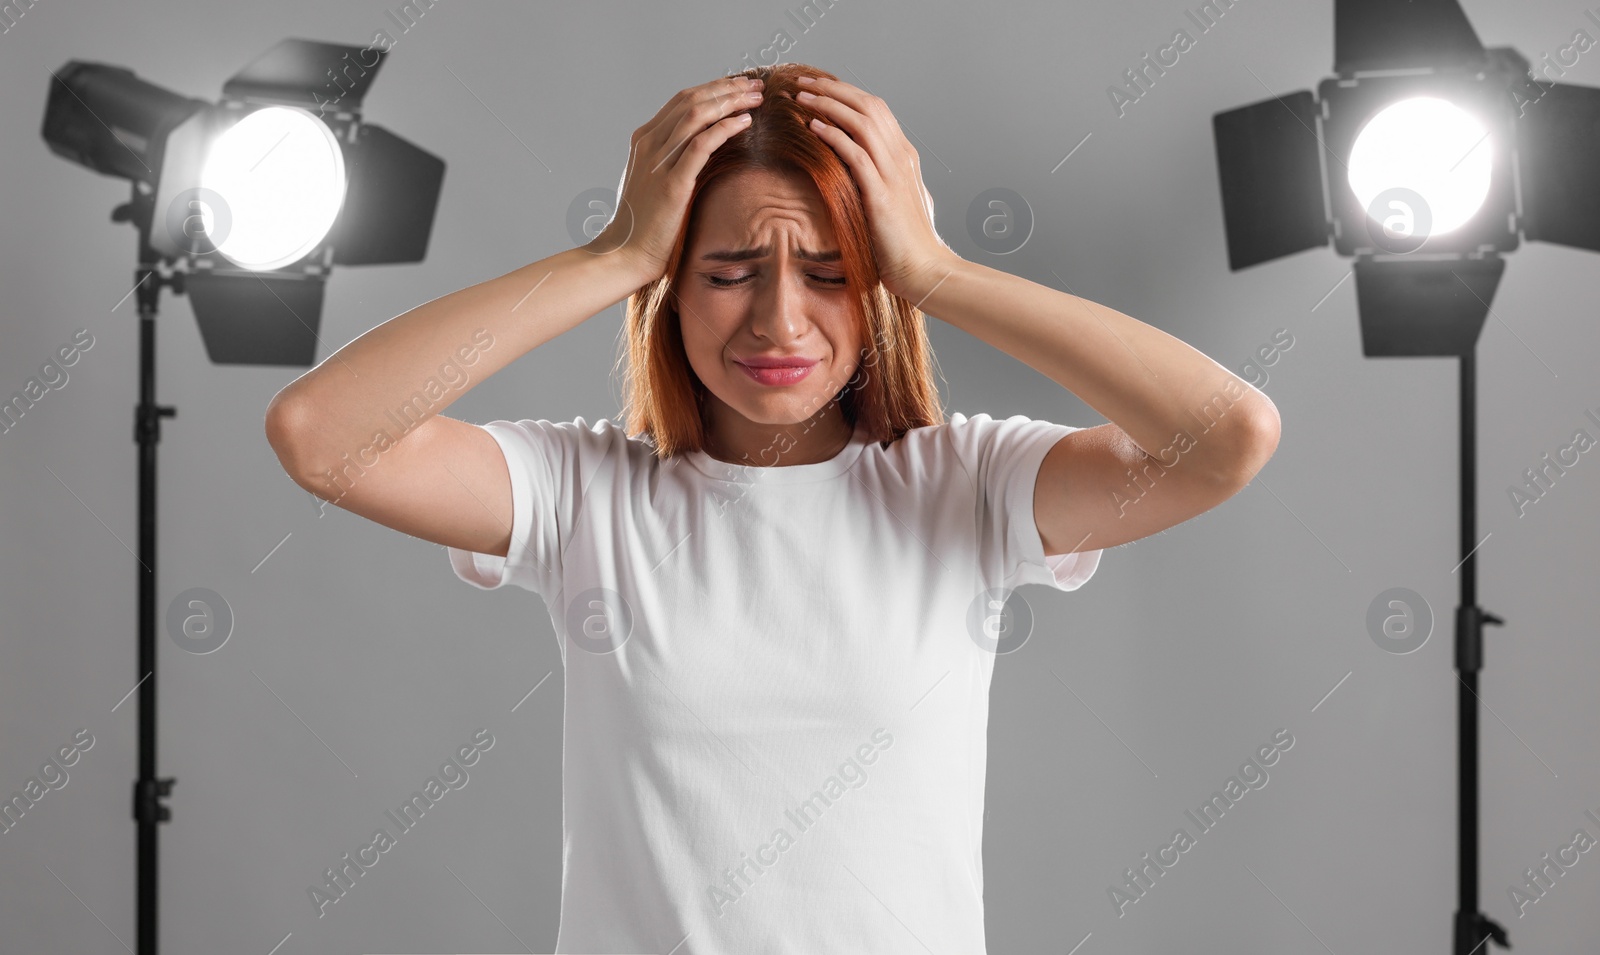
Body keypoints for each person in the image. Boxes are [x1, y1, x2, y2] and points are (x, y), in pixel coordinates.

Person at [264, 62, 1281, 954]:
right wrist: (612, 255)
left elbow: (1226, 437)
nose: (778, 318)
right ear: (672, 287)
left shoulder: (964, 484)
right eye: (727, 271)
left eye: (831, 273)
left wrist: (936, 270)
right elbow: (320, 433)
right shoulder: (585, 495)